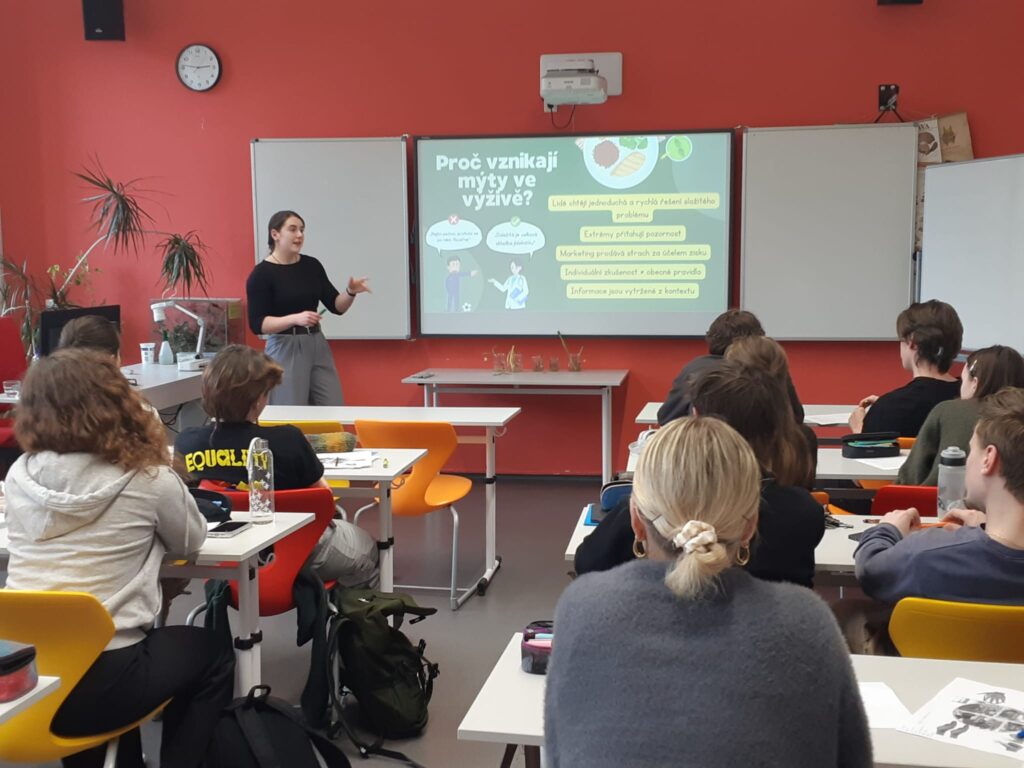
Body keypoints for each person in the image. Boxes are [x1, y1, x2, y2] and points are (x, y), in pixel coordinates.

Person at [547, 417, 871, 768]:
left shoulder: (581, 608)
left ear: (636, 521)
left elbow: (560, 753)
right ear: (750, 525)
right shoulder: (808, 621)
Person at [4, 348, 233, 768]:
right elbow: (190, 540)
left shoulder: (19, 476)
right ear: (115, 402)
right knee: (211, 652)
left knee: (104, 656)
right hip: (106, 684)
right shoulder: (148, 476)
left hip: (26, 678)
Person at [576, 363, 824, 588]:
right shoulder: (803, 510)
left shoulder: (653, 507)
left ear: (695, 418)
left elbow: (587, 562)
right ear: (777, 430)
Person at [175, 344, 378, 587]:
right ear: (257, 400)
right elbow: (324, 499)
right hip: (298, 549)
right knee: (368, 550)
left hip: (223, 552)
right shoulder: (287, 439)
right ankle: (344, 608)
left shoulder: (187, 442)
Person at [854, 387, 1024, 606]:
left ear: (988, 458)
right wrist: (986, 528)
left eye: (971, 450)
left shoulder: (925, 555)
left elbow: (871, 571)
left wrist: (887, 530)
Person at [245, 210, 371, 406]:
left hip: (316, 343)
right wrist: (295, 319)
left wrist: (350, 292)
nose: (299, 235)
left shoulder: (311, 265)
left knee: (332, 406)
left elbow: (336, 306)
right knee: (290, 409)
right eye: (292, 229)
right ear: (275, 234)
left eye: (302, 230)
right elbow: (257, 324)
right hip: (285, 345)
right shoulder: (262, 274)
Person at [898, 345, 1024, 485]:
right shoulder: (1017, 416)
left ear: (974, 383)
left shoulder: (947, 411)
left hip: (939, 497)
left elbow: (910, 477)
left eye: (963, 381)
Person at [849, 300, 963, 437]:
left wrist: (859, 429)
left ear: (913, 343)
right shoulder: (971, 397)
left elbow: (870, 449)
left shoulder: (890, 408)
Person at [657, 308, 764, 425]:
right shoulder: (766, 370)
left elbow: (666, 418)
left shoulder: (696, 368)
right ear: (757, 340)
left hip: (701, 436)